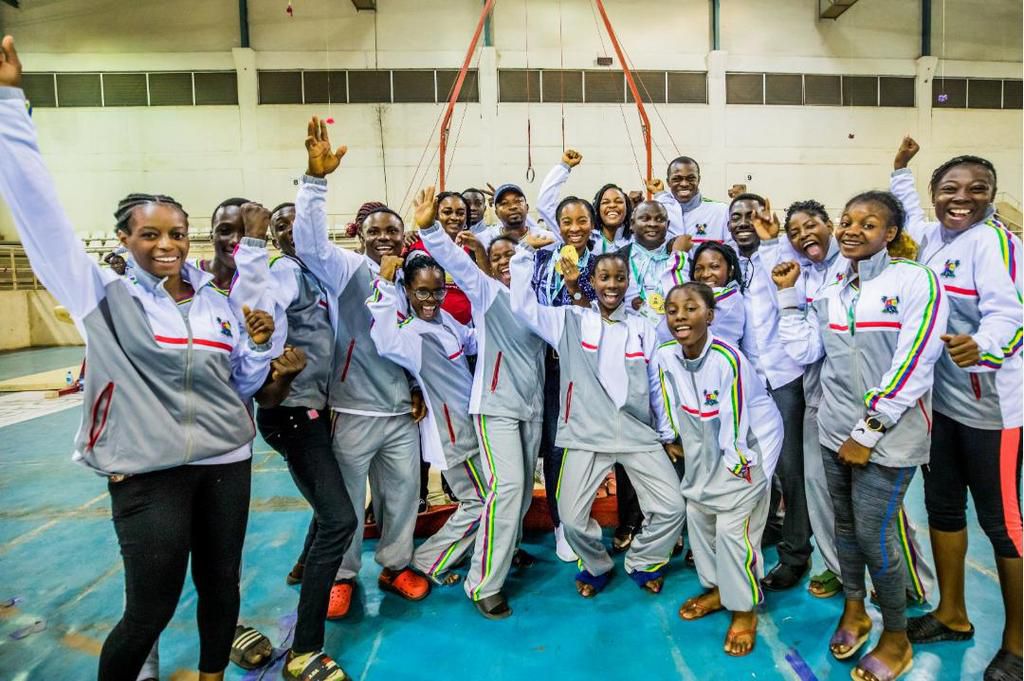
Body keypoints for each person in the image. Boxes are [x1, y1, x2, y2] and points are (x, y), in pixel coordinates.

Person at [0, 37, 293, 681]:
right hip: (146, 473)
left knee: (223, 590)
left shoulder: (217, 303)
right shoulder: (100, 296)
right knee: (149, 609)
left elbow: (240, 386)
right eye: (149, 234)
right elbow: (40, 215)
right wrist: (9, 107)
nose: (166, 244)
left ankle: (213, 676)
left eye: (176, 233)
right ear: (125, 240)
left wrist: (263, 344)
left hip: (226, 464)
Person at [776, 190, 950, 681]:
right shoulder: (833, 286)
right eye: (847, 220)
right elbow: (809, 350)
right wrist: (789, 299)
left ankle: (896, 635)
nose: (853, 230)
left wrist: (870, 428)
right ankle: (854, 610)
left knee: (876, 535)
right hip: (834, 430)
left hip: (888, 436)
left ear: (890, 233)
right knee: (845, 529)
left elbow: (916, 360)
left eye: (868, 224)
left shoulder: (916, 281)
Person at [891, 137, 1023, 681]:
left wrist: (982, 349)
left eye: (977, 189)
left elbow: (1010, 316)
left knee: (1003, 525)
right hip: (941, 406)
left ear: (993, 196)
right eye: (950, 189)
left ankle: (1017, 645)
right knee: (944, 509)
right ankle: (952, 614)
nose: (962, 198)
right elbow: (910, 210)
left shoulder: (995, 244)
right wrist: (900, 169)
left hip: (991, 412)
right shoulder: (932, 236)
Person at [292, 116, 431, 620]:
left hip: (402, 413)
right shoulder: (346, 270)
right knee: (348, 503)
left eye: (394, 230)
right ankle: (342, 575)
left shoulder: (416, 277)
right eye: (375, 231)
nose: (386, 237)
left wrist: (419, 387)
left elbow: (423, 343)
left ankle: (396, 566)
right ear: (361, 236)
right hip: (352, 408)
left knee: (402, 496)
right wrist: (314, 182)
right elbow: (307, 245)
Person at [510, 244, 686, 597]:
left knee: (672, 507)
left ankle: (645, 561)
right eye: (604, 277)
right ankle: (596, 565)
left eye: (619, 278)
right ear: (592, 281)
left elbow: (655, 386)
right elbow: (522, 306)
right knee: (572, 521)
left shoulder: (642, 328)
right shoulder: (570, 320)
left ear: (627, 283)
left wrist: (667, 434)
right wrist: (523, 255)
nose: (612, 285)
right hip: (585, 435)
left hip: (637, 434)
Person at [414, 188, 549, 616]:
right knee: (506, 490)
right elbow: (454, 261)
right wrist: (429, 228)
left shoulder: (539, 304)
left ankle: (503, 551)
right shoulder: (488, 293)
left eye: (517, 256)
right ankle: (483, 583)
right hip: (496, 407)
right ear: (491, 266)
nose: (511, 263)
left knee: (522, 493)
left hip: (531, 409)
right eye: (503, 258)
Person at [241, 199, 360, 680]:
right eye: (281, 225)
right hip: (292, 412)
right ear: (273, 236)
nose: (291, 232)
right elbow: (264, 309)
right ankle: (305, 648)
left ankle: (299, 569)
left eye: (298, 223)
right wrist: (267, 345)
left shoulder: (319, 273)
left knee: (325, 502)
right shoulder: (283, 270)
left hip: (313, 408)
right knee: (340, 519)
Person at [658, 282, 782, 657]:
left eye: (691, 308)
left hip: (747, 444)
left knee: (733, 529)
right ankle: (716, 589)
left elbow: (736, 423)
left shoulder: (728, 359)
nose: (680, 316)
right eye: (673, 309)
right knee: (698, 514)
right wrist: (670, 436)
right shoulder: (665, 355)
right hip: (703, 441)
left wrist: (739, 471)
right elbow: (668, 398)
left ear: (710, 316)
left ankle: (744, 607)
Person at [728, 193, 813, 590]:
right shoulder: (731, 266)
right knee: (755, 465)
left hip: (785, 378)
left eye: (751, 215)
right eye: (736, 216)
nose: (744, 221)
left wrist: (770, 241)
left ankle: (797, 554)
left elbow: (784, 289)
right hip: (749, 383)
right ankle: (765, 531)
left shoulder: (778, 256)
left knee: (791, 471)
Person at [527, 196, 599, 561]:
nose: (575, 228)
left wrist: (576, 285)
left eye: (582, 219)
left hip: (587, 362)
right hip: (549, 363)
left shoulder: (600, 261)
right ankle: (561, 525)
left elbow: (599, 310)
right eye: (567, 221)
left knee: (587, 445)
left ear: (592, 221)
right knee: (555, 445)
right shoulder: (541, 258)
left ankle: (581, 518)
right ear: (556, 224)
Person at [536, 148, 633, 255]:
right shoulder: (582, 235)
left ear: (627, 207)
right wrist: (564, 167)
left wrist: (656, 195)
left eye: (618, 201)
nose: (612, 205)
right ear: (597, 210)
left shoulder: (637, 240)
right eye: (605, 202)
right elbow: (544, 206)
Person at [404, 191, 479, 325]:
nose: (455, 217)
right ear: (436, 216)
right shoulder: (417, 246)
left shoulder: (471, 248)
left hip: (467, 329)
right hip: (430, 327)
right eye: (447, 212)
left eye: (460, 213)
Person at [650, 156, 731, 244]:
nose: (684, 184)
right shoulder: (657, 213)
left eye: (690, 178)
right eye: (677, 179)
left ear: (698, 180)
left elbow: (733, 249)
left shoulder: (721, 212)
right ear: (668, 182)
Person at [476, 183, 555, 250]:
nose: (512, 207)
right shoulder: (485, 240)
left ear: (527, 208)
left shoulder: (545, 238)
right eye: (504, 203)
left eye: (518, 201)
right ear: (496, 213)